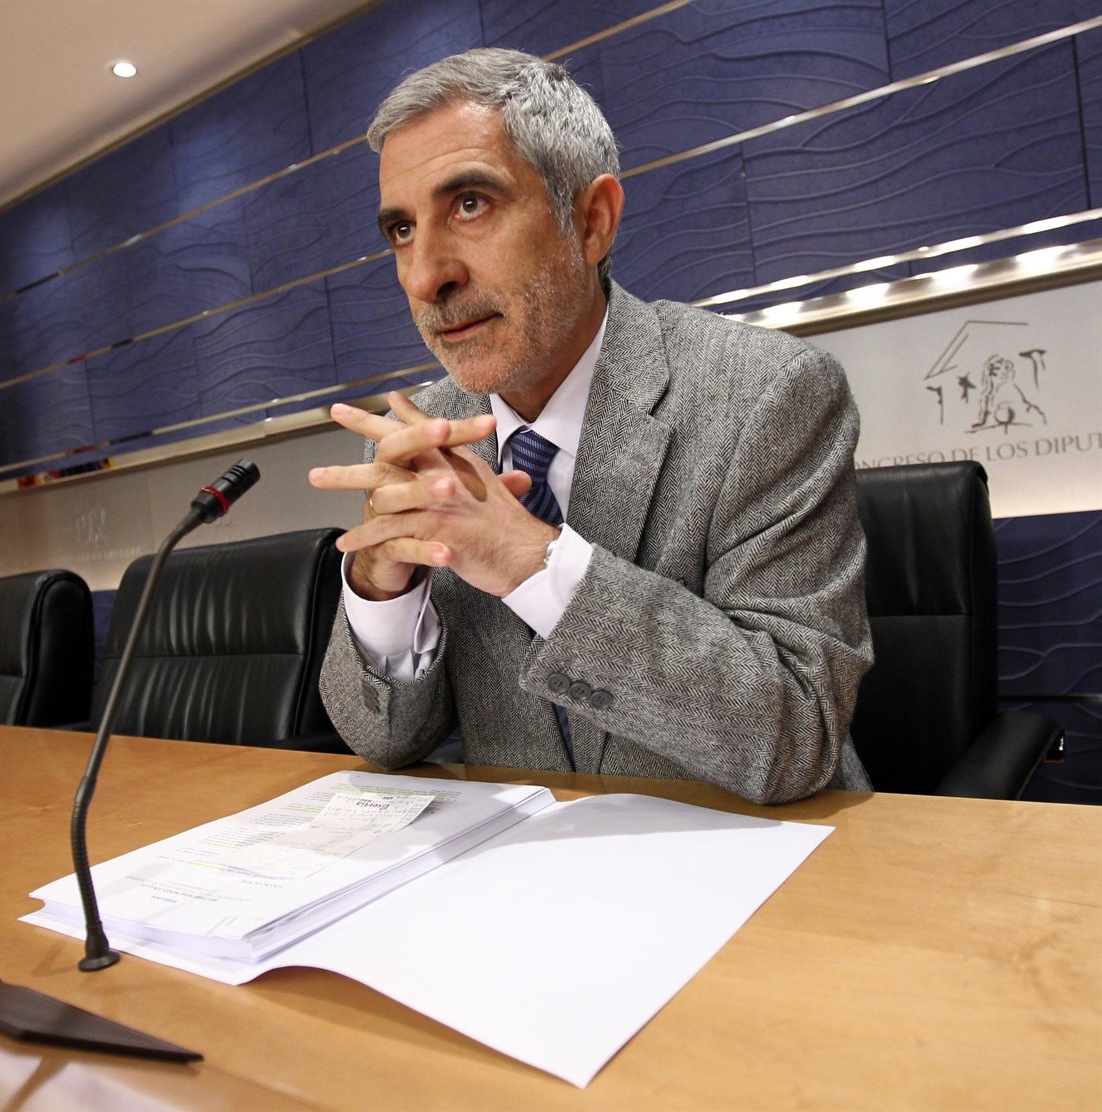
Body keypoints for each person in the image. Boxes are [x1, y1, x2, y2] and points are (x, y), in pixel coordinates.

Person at [310, 48, 873, 803]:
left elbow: (796, 737)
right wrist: (383, 591)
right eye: (402, 230)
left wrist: (529, 560)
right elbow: (383, 740)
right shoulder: (423, 433)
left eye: (470, 205)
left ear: (591, 220)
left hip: (753, 851)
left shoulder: (767, 395)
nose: (424, 276)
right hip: (526, 861)